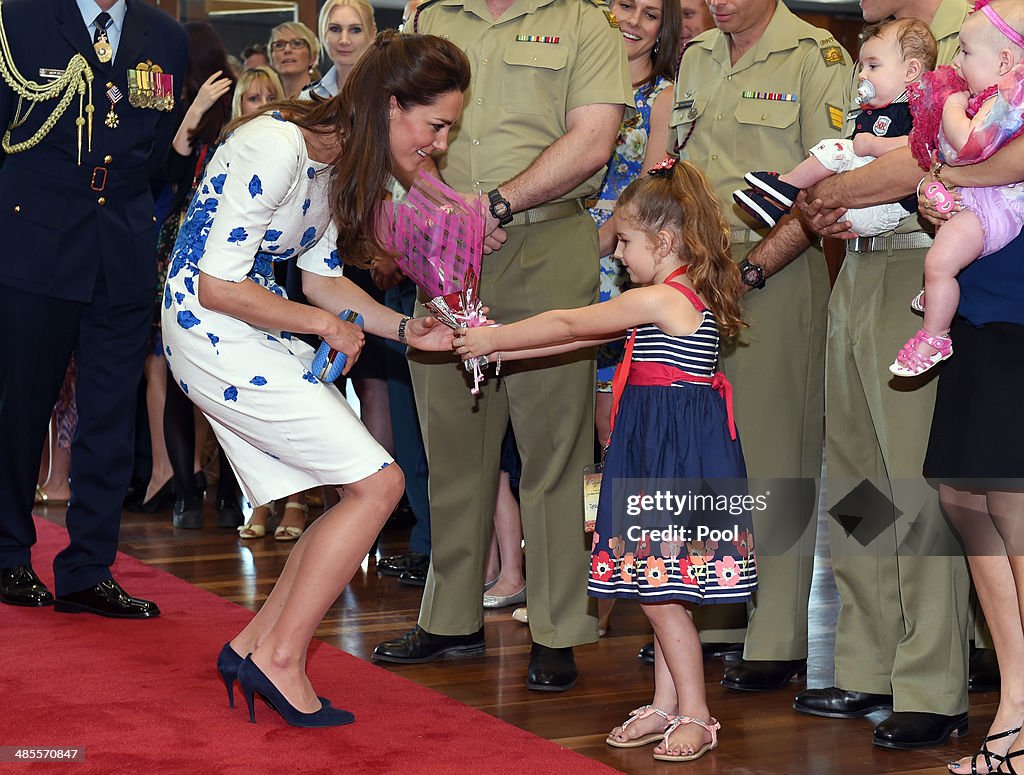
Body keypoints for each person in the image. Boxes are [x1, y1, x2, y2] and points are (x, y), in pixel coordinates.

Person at [161, 31, 468, 726]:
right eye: (437, 125)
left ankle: (254, 646)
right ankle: (279, 657)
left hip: (255, 321)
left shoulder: (337, 155)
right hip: (210, 325)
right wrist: (324, 326)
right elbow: (216, 285)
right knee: (380, 484)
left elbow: (322, 280)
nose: (441, 144)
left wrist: (402, 330)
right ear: (392, 106)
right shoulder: (278, 144)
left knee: (365, 486)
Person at [372, 0, 633, 692]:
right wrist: (442, 210)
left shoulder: (585, 22)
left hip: (546, 240)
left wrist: (493, 206)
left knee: (557, 446)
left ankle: (557, 625)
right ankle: (450, 615)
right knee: (452, 441)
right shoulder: (430, 16)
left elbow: (594, 139)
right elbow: (389, 127)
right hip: (440, 245)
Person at [456, 159, 755, 762]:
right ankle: (667, 702)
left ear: (663, 241)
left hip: (667, 455)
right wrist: (507, 344)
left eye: (624, 241)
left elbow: (571, 320)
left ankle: (696, 711)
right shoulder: (666, 297)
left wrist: (492, 339)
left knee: (658, 589)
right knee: (660, 579)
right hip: (661, 445)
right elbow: (575, 337)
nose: (616, 253)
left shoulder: (663, 299)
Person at [773, 0, 972, 751]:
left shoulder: (967, 37)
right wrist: (827, 205)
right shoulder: (876, 50)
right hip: (855, 272)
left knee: (911, 482)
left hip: (915, 270)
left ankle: (931, 683)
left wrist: (827, 194)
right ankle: (869, 660)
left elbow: (928, 157)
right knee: (856, 476)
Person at [668, 0, 849, 694]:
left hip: (769, 269)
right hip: (693, 270)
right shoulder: (698, 55)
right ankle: (718, 613)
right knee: (710, 449)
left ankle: (778, 633)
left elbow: (825, 187)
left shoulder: (816, 57)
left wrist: (748, 274)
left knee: (775, 455)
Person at [0, 0, 187, 616]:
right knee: (21, 406)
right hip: (35, 241)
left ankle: (88, 569)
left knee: (110, 414)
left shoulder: (164, 34)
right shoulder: (17, 18)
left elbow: (155, 151)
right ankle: (6, 554)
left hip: (122, 248)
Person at [913, 66, 1024, 775]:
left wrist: (948, 162)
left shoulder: (993, 112)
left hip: (1019, 312)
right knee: (963, 496)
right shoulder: (983, 106)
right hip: (976, 311)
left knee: (1013, 504)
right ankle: (1017, 698)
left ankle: (1019, 714)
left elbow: (971, 155)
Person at [891, 2, 1024, 377]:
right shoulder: (992, 97)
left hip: (998, 213)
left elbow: (967, 147)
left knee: (937, 262)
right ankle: (939, 296)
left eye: (965, 53)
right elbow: (945, 158)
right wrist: (937, 176)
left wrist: (951, 104)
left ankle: (934, 335)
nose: (958, 63)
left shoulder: (1008, 100)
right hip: (984, 265)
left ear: (1003, 62)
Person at [734, 19, 936, 233]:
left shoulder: (917, 109)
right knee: (835, 150)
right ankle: (777, 200)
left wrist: (873, 145)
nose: (862, 75)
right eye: (862, 66)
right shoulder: (873, 108)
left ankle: (785, 186)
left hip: (885, 211)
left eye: (873, 66)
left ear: (911, 71)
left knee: (836, 149)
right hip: (853, 212)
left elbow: (920, 147)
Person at [155, 22, 239, 530]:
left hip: (229, 246)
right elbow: (169, 174)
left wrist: (207, 108)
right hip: (176, 246)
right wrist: (190, 114)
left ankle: (229, 491)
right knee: (173, 368)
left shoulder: (230, 100)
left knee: (227, 372)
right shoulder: (175, 102)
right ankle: (187, 492)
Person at [591, 0, 680, 447]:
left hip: (624, 258)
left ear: (664, 31)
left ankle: (613, 516)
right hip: (557, 241)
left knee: (613, 420)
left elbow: (651, 186)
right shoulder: (572, 79)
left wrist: (602, 243)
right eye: (626, 6)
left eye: (651, 15)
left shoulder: (664, 96)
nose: (633, 22)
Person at [268, 21, 319, 99]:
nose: (287, 50)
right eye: (279, 45)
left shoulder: (326, 100)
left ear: (312, 57)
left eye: (297, 43)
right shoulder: (264, 102)